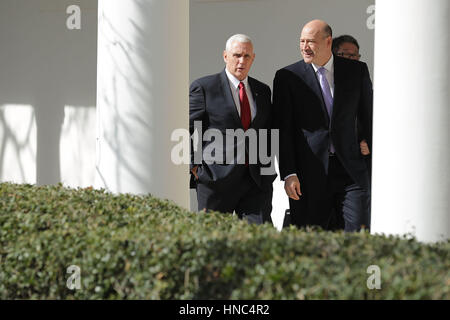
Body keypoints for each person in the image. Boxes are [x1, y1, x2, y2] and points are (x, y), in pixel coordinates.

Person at [273, 20, 373, 231]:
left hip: (351, 171)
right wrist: (289, 173)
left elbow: (369, 115)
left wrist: (368, 146)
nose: (305, 47)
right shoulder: (287, 77)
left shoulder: (356, 71)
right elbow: (284, 129)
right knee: (313, 240)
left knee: (357, 234)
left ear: (328, 42)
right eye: (302, 41)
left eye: (310, 41)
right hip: (309, 173)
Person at [190, 34, 276, 224]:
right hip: (216, 179)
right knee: (212, 240)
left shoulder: (262, 90)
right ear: (225, 56)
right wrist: (194, 165)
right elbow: (188, 128)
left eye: (246, 56)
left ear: (253, 58)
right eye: (237, 55)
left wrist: (268, 166)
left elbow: (267, 131)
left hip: (255, 180)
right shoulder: (205, 87)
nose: (241, 61)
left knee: (260, 239)